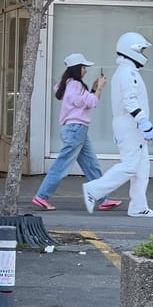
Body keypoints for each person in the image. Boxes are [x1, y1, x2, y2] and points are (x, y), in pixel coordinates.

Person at [31, 53, 121, 212]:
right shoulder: (75, 86)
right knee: (61, 166)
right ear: (76, 68)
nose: (85, 71)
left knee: (92, 165)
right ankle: (41, 196)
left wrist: (93, 89)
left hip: (78, 131)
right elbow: (91, 102)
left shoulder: (68, 84)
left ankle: (103, 199)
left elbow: (82, 101)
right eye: (84, 67)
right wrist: (99, 88)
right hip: (76, 130)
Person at [82, 32, 153, 218]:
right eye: (141, 49)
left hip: (130, 125)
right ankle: (94, 189)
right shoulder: (127, 73)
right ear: (132, 51)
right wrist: (143, 121)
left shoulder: (126, 72)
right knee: (131, 166)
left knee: (142, 167)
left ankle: (138, 206)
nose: (144, 53)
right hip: (131, 125)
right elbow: (129, 101)